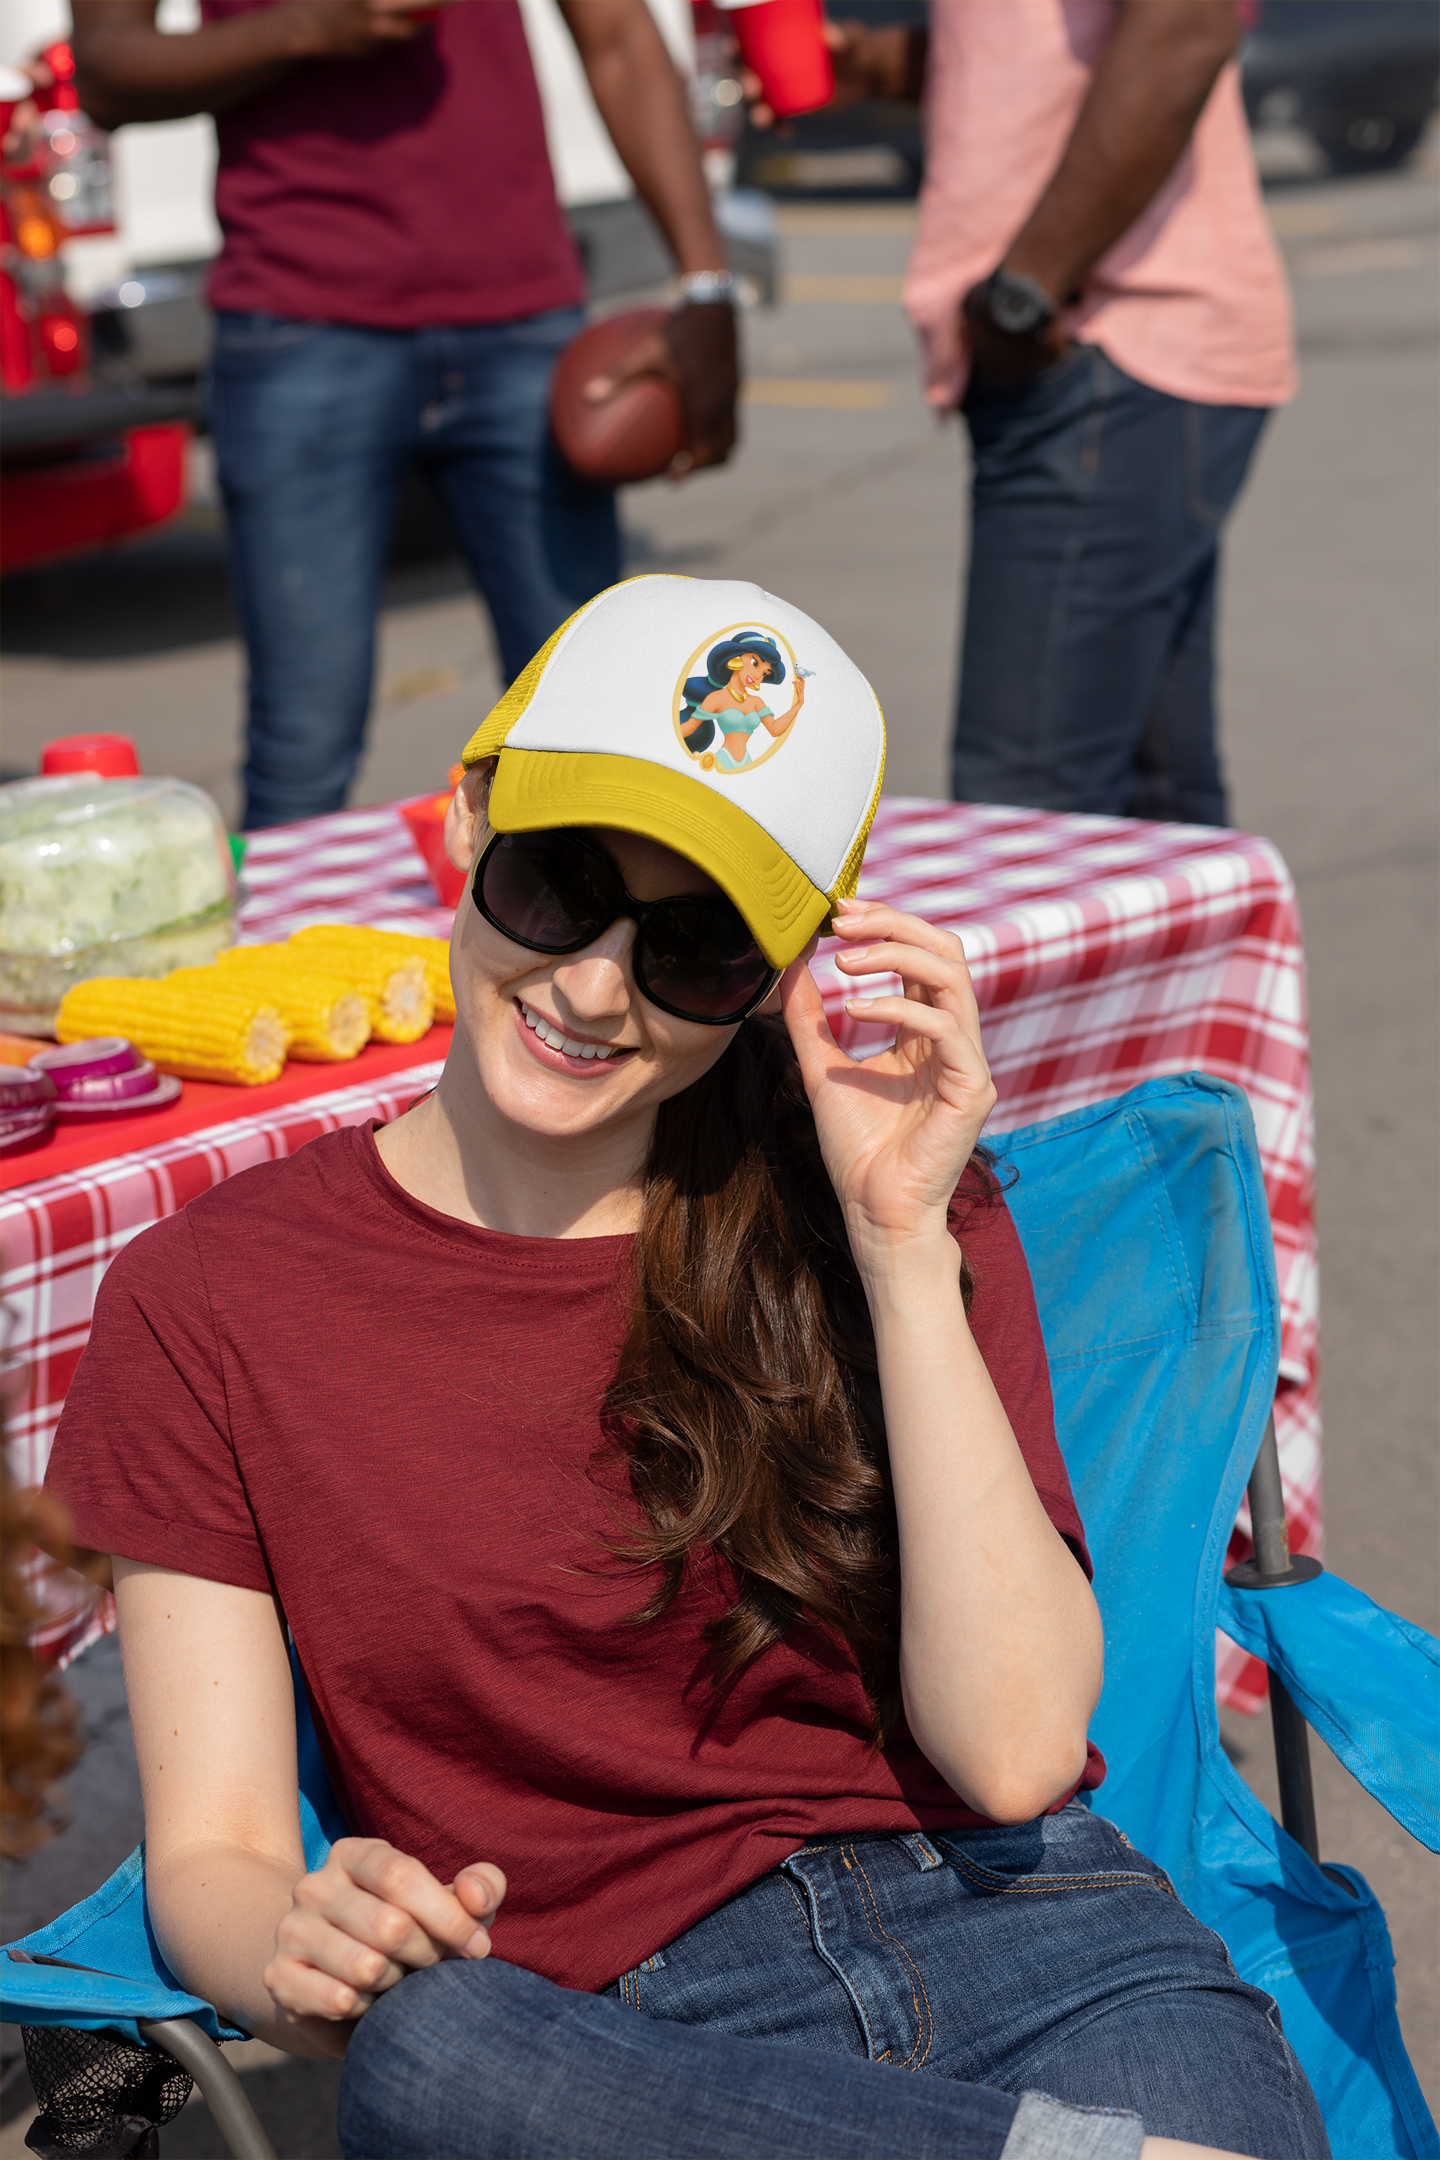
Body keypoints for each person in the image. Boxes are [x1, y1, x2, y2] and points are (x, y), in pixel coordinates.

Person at [46, 578, 1328, 2160]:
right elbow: (220, 1857)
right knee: (426, 2052)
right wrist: (296, 1953)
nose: (595, 987)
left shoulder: (875, 1207)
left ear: (791, 972)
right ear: (466, 825)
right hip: (615, 2049)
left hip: (1042, 1953)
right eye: (559, 886)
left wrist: (901, 1248)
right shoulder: (212, 1298)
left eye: (700, 951)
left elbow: (1011, 1756)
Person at [70, 0, 741, 830]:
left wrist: (708, 285)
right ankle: (294, 921)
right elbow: (106, 70)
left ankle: (583, 917)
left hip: (521, 316)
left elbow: (620, 38)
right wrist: (306, 27)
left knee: (588, 739)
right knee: (303, 750)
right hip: (299, 320)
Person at [774, 1, 1294, 826]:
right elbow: (1032, 65)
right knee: (1153, 816)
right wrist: (881, 62)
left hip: (1105, 343)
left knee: (1026, 812)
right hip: (1107, 353)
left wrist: (1025, 289)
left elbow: (1188, 23)